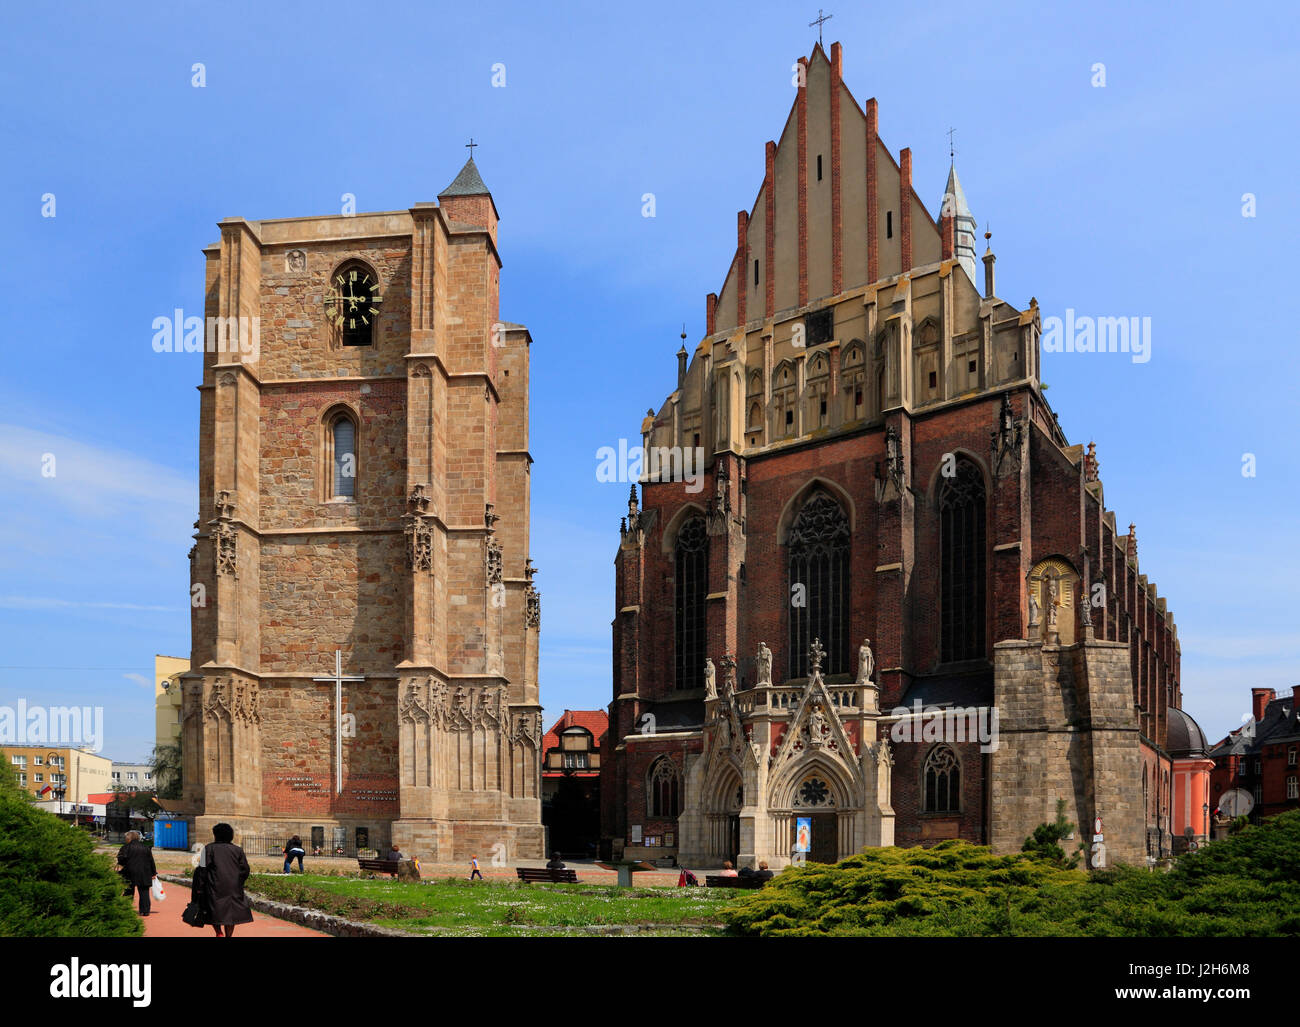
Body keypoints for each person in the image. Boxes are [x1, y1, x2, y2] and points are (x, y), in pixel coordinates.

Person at [195, 823, 253, 938]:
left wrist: (200, 887)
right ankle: (228, 935)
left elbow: (202, 869)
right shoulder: (238, 850)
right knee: (230, 914)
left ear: (216, 835)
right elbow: (245, 869)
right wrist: (238, 881)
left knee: (214, 911)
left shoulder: (208, 848)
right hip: (233, 886)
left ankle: (218, 932)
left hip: (214, 885)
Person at [116, 830, 157, 916]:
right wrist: (153, 873)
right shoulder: (146, 848)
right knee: (144, 892)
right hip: (144, 873)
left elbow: (121, 860)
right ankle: (145, 911)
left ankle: (125, 909)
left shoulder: (125, 847)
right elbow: (151, 861)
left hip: (129, 872)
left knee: (129, 891)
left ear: (128, 838)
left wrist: (123, 864)